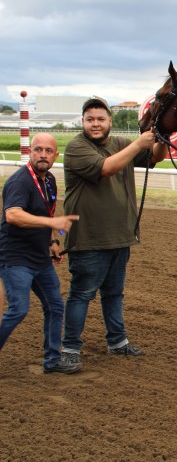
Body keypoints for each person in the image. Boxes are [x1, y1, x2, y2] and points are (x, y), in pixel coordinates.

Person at [60, 97, 167, 365]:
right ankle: (70, 349)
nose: (95, 124)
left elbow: (155, 157)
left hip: (120, 235)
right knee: (82, 294)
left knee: (114, 293)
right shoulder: (76, 147)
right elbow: (106, 168)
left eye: (100, 119)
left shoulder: (120, 143)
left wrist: (162, 137)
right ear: (83, 122)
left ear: (110, 120)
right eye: (90, 119)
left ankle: (117, 342)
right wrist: (139, 144)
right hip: (89, 238)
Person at [0, 133, 80, 374]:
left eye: (48, 151)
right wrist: (52, 223)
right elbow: (13, 215)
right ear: (30, 152)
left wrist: (52, 241)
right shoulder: (19, 182)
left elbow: (46, 213)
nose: (43, 155)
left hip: (40, 257)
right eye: (38, 150)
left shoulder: (50, 180)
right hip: (15, 258)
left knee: (55, 307)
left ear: (56, 155)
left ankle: (52, 361)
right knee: (18, 310)